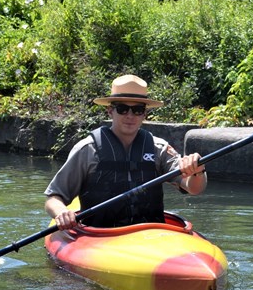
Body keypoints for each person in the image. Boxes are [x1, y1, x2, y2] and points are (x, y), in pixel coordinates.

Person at [45, 74, 206, 230]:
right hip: (99, 236)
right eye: (122, 109)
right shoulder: (87, 150)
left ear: (144, 113)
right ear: (110, 111)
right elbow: (53, 197)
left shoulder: (159, 148)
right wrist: (62, 212)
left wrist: (197, 171)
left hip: (151, 236)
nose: (130, 115)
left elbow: (194, 188)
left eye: (137, 109)